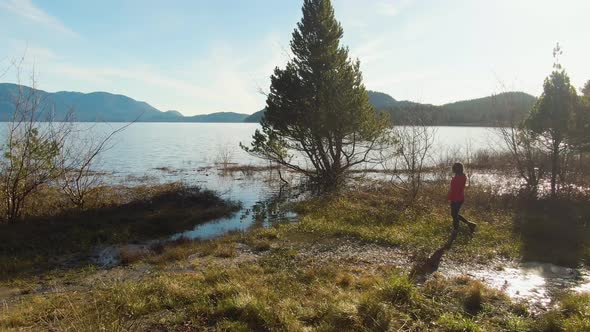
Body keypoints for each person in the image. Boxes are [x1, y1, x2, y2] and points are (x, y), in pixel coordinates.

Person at [448, 162, 476, 234]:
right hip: (454, 198)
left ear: (459, 169)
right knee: (454, 214)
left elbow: (458, 189)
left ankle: (455, 230)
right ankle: (470, 224)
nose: (454, 169)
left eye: (455, 168)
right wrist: (450, 198)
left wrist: (455, 199)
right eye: (454, 168)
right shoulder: (456, 176)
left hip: (458, 198)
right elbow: (452, 189)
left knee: (454, 215)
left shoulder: (462, 177)